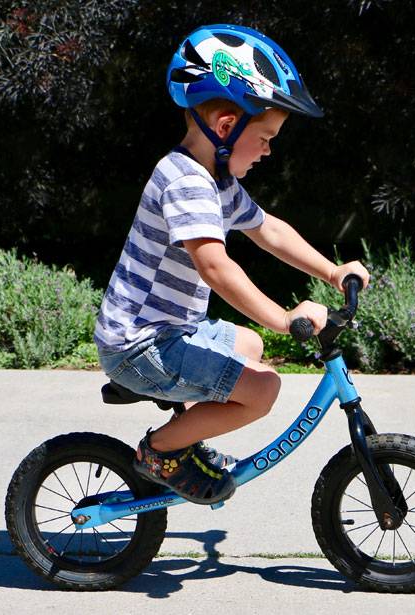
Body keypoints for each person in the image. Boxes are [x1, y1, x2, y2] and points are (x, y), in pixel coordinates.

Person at [94, 24, 369, 505]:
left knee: (250, 343)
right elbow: (215, 267)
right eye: (265, 137)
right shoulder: (186, 184)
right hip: (140, 346)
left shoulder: (214, 180)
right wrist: (286, 319)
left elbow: (269, 230)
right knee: (262, 391)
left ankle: (183, 441)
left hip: (167, 330)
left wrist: (331, 270)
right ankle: (160, 452)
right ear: (226, 126)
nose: (268, 149)